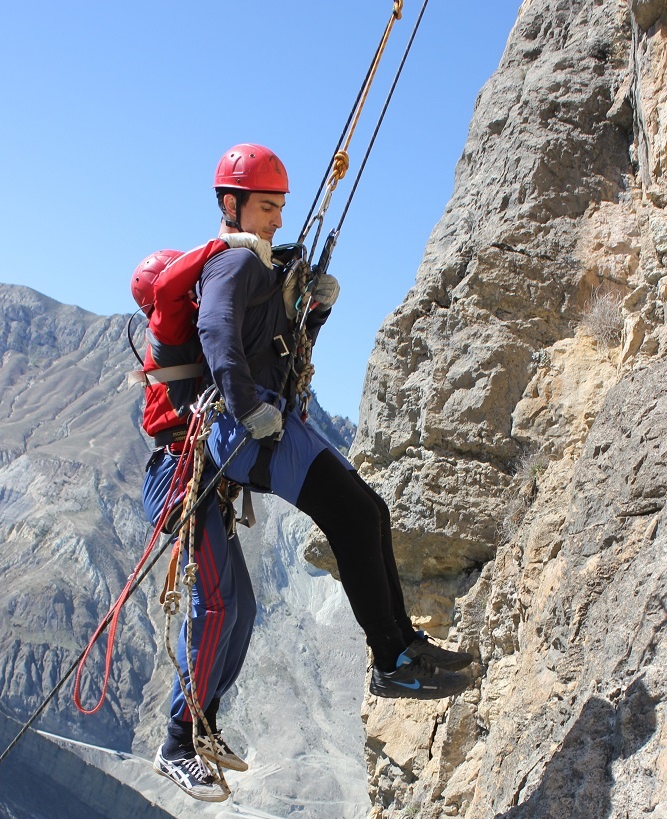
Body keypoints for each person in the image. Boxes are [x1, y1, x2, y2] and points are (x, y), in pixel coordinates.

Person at [198, 143, 474, 698]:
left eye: (279, 207)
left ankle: (400, 642)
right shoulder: (233, 262)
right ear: (231, 204)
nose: (277, 218)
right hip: (245, 430)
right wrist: (246, 405)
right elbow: (216, 331)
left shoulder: (263, 266)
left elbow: (279, 347)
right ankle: (392, 660)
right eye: (265, 207)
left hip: (268, 423)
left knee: (370, 510)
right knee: (351, 515)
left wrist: (315, 308)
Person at [132, 245, 256, 803]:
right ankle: (178, 742)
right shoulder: (173, 344)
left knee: (242, 607)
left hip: (198, 480)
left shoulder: (190, 344)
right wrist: (226, 248)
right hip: (181, 479)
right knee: (218, 606)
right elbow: (174, 292)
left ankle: (203, 720)